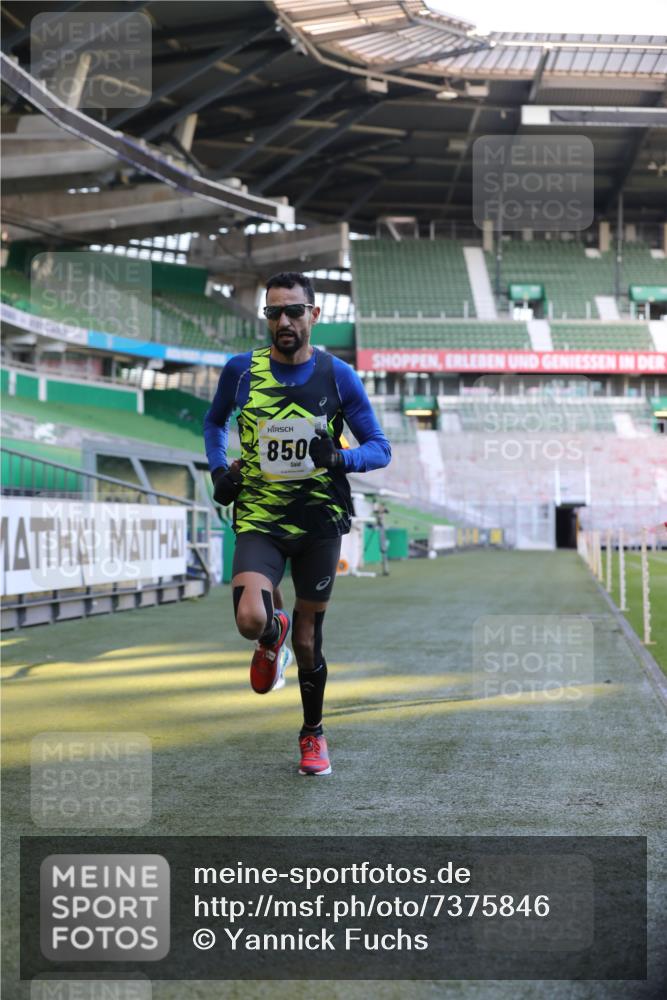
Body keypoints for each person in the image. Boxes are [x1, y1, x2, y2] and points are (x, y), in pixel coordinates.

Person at [204, 271, 391, 776]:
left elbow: (380, 448)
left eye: (293, 311)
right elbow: (214, 420)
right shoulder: (240, 371)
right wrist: (220, 470)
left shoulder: (337, 375)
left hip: (319, 522)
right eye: (273, 312)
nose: (283, 321)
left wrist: (338, 458)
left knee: (309, 642)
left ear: (314, 314)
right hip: (260, 517)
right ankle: (271, 633)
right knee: (250, 620)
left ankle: (312, 734)